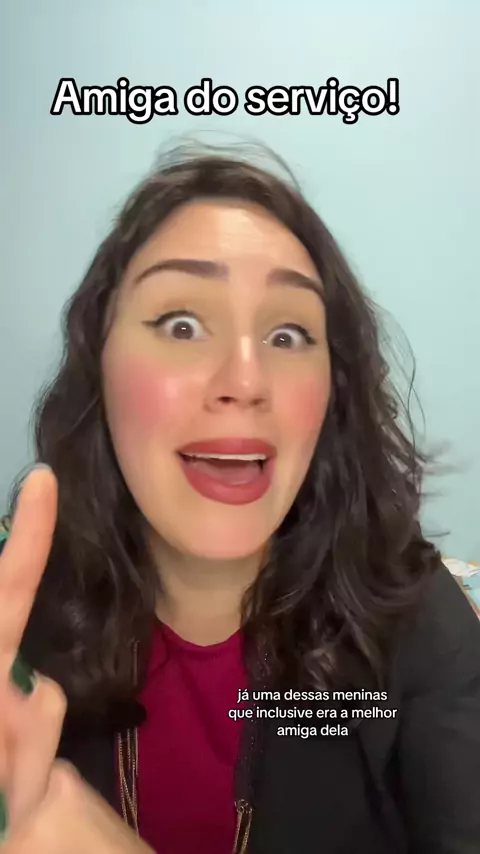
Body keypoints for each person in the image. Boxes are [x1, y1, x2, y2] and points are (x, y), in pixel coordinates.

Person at [0, 146, 479, 854]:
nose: (245, 381)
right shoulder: (18, 626)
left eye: (288, 334)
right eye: (182, 324)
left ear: (332, 397)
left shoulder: (418, 620)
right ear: (99, 369)